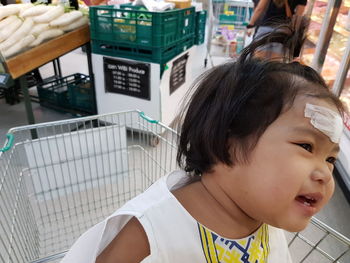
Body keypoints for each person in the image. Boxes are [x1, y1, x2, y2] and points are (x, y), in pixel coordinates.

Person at [61, 29, 345, 263]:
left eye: (331, 159)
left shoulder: (262, 216)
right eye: (307, 146)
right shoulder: (151, 233)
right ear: (228, 142)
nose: (324, 173)